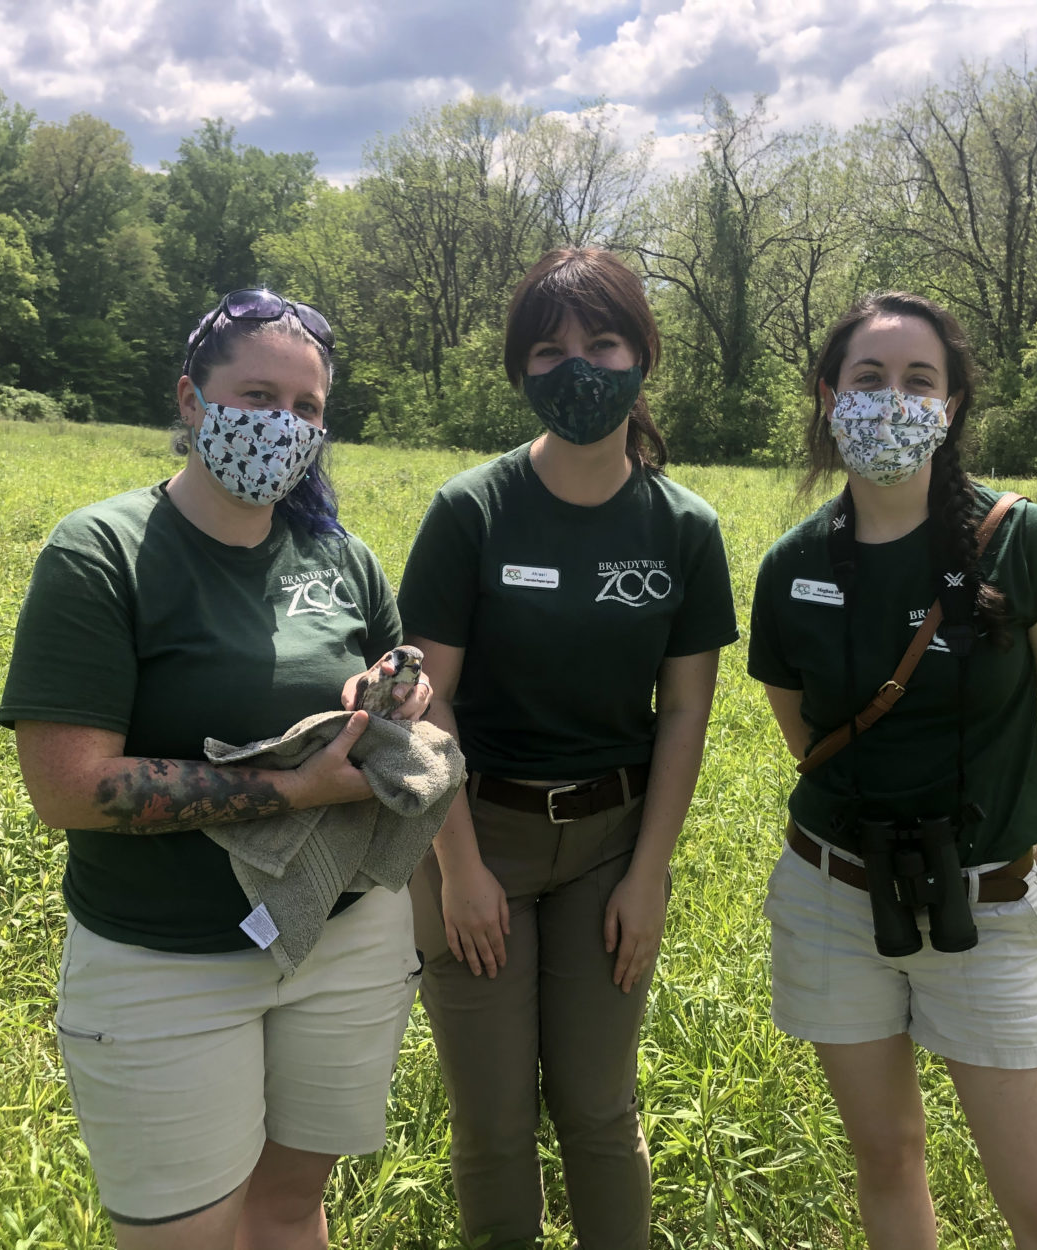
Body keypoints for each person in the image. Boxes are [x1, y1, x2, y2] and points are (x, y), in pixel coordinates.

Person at [0, 289, 431, 1250]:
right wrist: (288, 789)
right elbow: (67, 787)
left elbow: (405, 683)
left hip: (342, 938)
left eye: (307, 408)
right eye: (257, 394)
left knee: (289, 1210)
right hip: (165, 961)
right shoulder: (100, 552)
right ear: (193, 402)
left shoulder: (341, 556)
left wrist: (397, 691)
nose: (283, 424)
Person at [397, 247, 739, 1250]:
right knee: (493, 1120)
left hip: (608, 845)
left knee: (598, 1107)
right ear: (518, 368)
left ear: (642, 355)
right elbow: (429, 701)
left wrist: (649, 872)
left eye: (600, 341)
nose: (576, 366)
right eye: (548, 350)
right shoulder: (471, 510)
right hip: (477, 835)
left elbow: (682, 710)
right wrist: (457, 866)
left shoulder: (682, 527)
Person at [748, 291, 1037, 1250]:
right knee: (886, 1160)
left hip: (984, 903)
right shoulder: (790, 567)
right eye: (867, 379)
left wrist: (1031, 860)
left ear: (949, 408)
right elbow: (808, 737)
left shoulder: (1023, 544)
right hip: (832, 896)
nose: (892, 400)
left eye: (918, 381)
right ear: (829, 397)